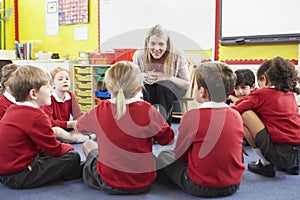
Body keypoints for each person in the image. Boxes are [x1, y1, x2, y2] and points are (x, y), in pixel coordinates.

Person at [76, 61, 174, 195]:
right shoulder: (147, 110)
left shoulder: (100, 109)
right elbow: (168, 139)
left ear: (109, 88)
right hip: (144, 181)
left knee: (88, 144)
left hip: (109, 182)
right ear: (139, 88)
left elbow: (80, 127)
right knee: (157, 158)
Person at [156, 62, 245, 198]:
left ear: (202, 92)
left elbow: (180, 156)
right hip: (234, 184)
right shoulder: (236, 115)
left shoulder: (192, 117)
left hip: (200, 186)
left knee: (164, 157)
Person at [0, 65, 82, 189]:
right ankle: (75, 172)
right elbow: (55, 149)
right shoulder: (37, 116)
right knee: (72, 157)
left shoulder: (13, 108)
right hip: (19, 176)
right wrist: (69, 148)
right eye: (48, 86)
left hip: (6, 171)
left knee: (48, 154)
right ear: (33, 93)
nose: (51, 90)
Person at [233, 56, 300, 177]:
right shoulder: (290, 95)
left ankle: (265, 164)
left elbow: (237, 109)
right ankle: (293, 167)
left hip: (280, 155)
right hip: (297, 156)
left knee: (246, 114)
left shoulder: (261, 93)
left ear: (263, 79)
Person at [133, 24, 190, 125]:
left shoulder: (177, 55)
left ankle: (165, 125)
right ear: (147, 43)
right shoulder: (139, 55)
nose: (156, 48)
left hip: (173, 89)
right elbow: (133, 79)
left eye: (161, 44)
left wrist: (167, 77)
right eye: (153, 43)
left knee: (163, 85)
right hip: (149, 89)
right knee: (150, 86)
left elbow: (186, 83)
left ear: (167, 45)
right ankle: (151, 124)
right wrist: (144, 76)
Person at [41, 67, 95, 143]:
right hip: (54, 128)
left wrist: (81, 123)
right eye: (60, 79)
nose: (65, 81)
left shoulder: (70, 96)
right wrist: (68, 124)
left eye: (67, 79)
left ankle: (72, 137)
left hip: (66, 127)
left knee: (92, 123)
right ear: (52, 84)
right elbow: (48, 122)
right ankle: (77, 138)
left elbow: (78, 115)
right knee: (56, 131)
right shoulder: (49, 98)